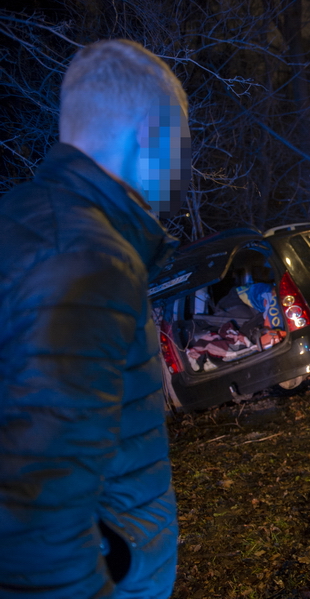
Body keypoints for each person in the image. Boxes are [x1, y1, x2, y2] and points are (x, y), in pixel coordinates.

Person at [0, 40, 190, 598]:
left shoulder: (25, 222)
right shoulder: (88, 261)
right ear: (149, 135)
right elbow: (40, 506)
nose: (178, 169)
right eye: (178, 147)